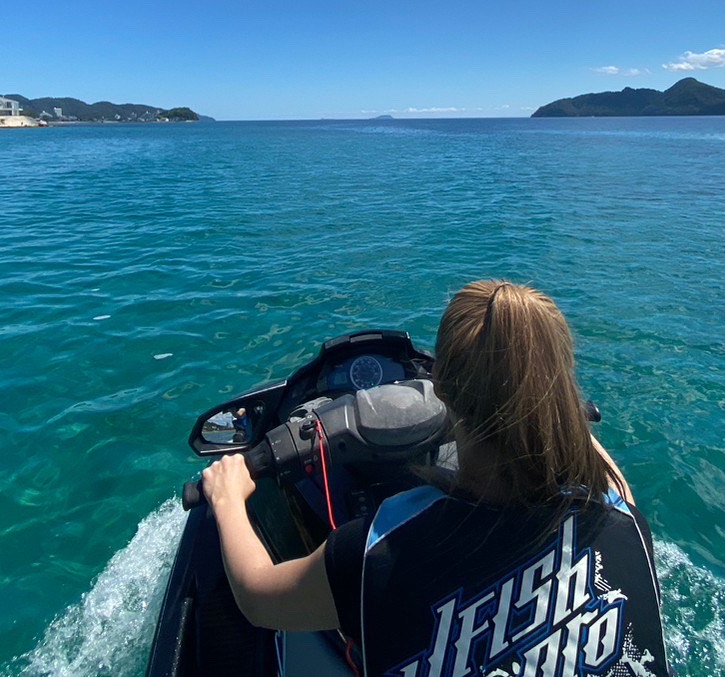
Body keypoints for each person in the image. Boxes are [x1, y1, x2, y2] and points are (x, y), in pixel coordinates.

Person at [201, 279, 672, 677]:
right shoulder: (621, 523)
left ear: (439, 388)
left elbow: (258, 596)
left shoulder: (379, 555)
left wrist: (227, 497)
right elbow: (609, 479)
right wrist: (548, 403)